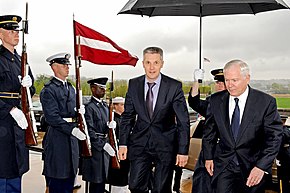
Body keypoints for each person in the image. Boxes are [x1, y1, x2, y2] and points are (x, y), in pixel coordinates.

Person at [203, 59, 283, 193]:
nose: (230, 85)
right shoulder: (216, 100)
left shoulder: (265, 102)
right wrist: (208, 157)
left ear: (247, 78)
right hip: (224, 166)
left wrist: (261, 167)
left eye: (234, 80)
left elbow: (274, 138)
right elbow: (209, 132)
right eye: (227, 80)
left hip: (253, 167)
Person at [118, 46, 190, 193]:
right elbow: (127, 117)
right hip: (140, 144)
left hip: (165, 145)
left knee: (161, 189)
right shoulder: (133, 84)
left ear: (162, 63)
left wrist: (183, 151)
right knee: (135, 186)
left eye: (156, 63)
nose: (152, 67)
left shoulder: (174, 87)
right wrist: (123, 143)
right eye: (148, 63)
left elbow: (183, 121)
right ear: (143, 63)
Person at [40, 53, 86, 193]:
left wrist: (80, 114)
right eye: (63, 64)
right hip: (57, 138)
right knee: (58, 180)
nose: (67, 67)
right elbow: (52, 117)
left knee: (69, 179)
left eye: (68, 64)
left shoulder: (71, 88)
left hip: (72, 138)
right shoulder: (49, 90)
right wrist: (71, 130)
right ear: (54, 67)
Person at [0, 15, 35, 192]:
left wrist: (29, 87)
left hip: (18, 123)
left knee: (16, 169)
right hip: (3, 122)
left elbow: (32, 89)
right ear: (0, 33)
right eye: (11, 31)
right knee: (2, 172)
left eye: (17, 31)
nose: (16, 34)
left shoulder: (22, 60)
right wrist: (9, 109)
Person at [188, 68, 226, 193]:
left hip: (226, 153)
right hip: (209, 151)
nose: (219, 84)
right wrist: (196, 82)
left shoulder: (237, 104)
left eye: (222, 82)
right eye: (217, 82)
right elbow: (194, 102)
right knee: (202, 185)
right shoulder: (212, 101)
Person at [82, 77, 116, 193]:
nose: (103, 90)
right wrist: (102, 145)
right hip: (96, 149)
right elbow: (89, 131)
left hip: (104, 147)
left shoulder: (105, 106)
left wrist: (110, 126)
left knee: (102, 181)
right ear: (92, 88)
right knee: (96, 183)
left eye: (104, 88)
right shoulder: (89, 107)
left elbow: (104, 126)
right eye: (100, 88)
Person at [108, 96, 130, 193]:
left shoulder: (123, 119)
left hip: (124, 151)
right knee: (118, 177)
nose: (124, 107)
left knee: (124, 176)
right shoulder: (113, 120)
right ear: (115, 106)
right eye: (121, 105)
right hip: (116, 152)